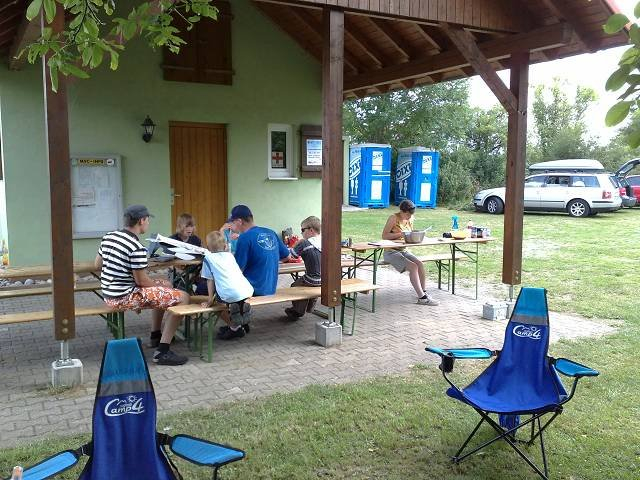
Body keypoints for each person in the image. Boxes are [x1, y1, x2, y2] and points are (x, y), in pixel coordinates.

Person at [95, 205, 190, 365]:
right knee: (184, 297)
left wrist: (161, 286)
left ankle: (155, 336)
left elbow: (98, 264)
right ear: (141, 221)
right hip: (124, 297)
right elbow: (142, 281)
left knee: (165, 284)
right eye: (147, 220)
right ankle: (162, 351)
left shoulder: (109, 237)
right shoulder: (136, 247)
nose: (148, 223)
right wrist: (159, 287)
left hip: (109, 294)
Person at [381, 199, 439, 306]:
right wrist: (400, 234)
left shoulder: (410, 219)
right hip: (390, 252)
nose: (409, 217)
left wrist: (417, 236)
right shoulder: (393, 218)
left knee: (419, 264)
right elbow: (384, 236)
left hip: (403, 250)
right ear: (402, 211)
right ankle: (422, 298)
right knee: (413, 267)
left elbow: (410, 234)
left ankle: (423, 292)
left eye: (411, 215)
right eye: (408, 214)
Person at [200, 231, 254, 340]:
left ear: (208, 248)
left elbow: (210, 280)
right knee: (235, 296)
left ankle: (235, 327)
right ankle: (242, 318)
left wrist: (210, 300)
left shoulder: (208, 259)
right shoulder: (230, 256)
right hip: (246, 290)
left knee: (217, 305)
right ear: (225, 246)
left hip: (228, 294)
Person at [229, 204, 291, 298]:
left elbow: (237, 270)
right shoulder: (271, 232)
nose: (231, 226)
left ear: (239, 221)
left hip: (251, 290)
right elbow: (287, 256)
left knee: (216, 287)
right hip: (271, 289)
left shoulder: (244, 237)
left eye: (232, 222)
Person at [285, 216, 321, 319]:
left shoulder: (305, 243)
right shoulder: (324, 241)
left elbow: (291, 256)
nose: (301, 233)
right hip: (325, 279)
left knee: (294, 286)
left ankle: (298, 311)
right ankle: (310, 307)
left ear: (311, 230)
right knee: (308, 286)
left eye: (302, 230)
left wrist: (296, 244)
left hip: (312, 279)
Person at [170, 213, 207, 295]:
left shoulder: (196, 240)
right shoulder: (172, 240)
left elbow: (203, 255)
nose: (190, 229)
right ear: (180, 226)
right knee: (181, 289)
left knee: (206, 285)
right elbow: (168, 260)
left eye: (192, 226)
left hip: (195, 271)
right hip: (178, 272)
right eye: (187, 226)